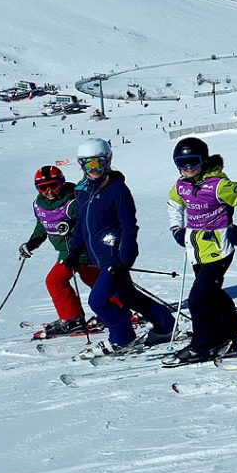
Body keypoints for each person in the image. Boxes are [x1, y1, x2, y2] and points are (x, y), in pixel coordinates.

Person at [67, 139, 175, 355]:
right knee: (128, 296)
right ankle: (166, 326)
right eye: (88, 164)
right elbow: (81, 225)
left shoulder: (117, 190)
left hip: (114, 256)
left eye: (98, 163)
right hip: (99, 256)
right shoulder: (82, 190)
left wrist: (124, 259)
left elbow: (129, 227)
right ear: (81, 165)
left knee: (98, 301)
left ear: (108, 161)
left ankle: (122, 337)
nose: (94, 169)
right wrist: (75, 250)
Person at [166, 137, 237, 364]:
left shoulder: (219, 186)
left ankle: (202, 345)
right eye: (182, 163)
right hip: (196, 250)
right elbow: (173, 205)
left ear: (204, 160)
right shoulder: (181, 185)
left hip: (220, 248)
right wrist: (176, 229)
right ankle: (233, 334)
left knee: (197, 299)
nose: (188, 168)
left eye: (193, 162)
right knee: (213, 293)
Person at [18, 166, 100, 337]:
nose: (49, 191)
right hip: (66, 251)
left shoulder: (74, 200)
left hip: (80, 249)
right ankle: (117, 308)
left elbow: (90, 221)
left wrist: (71, 225)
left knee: (56, 281)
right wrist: (31, 244)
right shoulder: (39, 205)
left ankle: (73, 319)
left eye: (53, 185)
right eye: (43, 187)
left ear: (61, 183)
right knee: (93, 279)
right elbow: (42, 226)